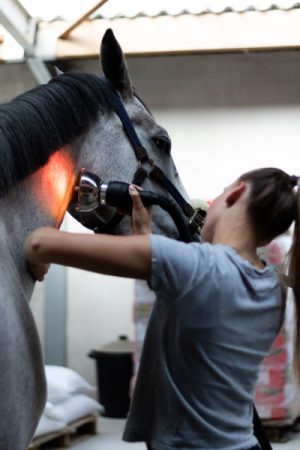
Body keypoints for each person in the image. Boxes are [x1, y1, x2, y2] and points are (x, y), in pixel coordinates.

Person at [24, 167, 300, 450]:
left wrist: (42, 259)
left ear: (238, 191)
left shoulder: (195, 264)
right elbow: (196, 307)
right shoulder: (272, 287)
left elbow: (38, 243)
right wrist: (144, 238)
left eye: (222, 192)